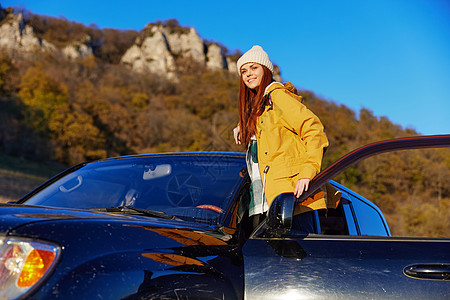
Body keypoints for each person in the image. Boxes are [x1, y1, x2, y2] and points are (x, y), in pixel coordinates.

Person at [233, 45, 336, 233]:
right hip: (265, 205)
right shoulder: (261, 109)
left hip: (291, 200)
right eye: (243, 71)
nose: (248, 74)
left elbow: (313, 129)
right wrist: (244, 124)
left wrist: (307, 171)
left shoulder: (277, 96)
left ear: (265, 70)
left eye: (254, 68)